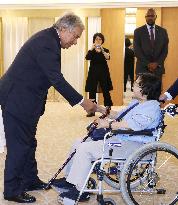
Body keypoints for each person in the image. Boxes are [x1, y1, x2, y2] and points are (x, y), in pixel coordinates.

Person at [0, 13, 96, 203]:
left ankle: (29, 180)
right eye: (76, 36)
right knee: (19, 145)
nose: (76, 42)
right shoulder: (46, 42)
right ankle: (12, 190)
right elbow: (56, 79)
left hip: (25, 100)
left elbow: (44, 76)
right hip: (16, 99)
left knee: (28, 141)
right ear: (64, 29)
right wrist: (83, 102)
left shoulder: (50, 39)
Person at [53, 73, 162, 203]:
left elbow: (131, 125)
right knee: (79, 143)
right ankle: (70, 180)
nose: (133, 85)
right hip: (123, 140)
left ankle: (79, 191)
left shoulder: (152, 107)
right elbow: (119, 115)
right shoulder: (137, 103)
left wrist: (108, 124)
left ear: (146, 90)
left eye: (137, 84)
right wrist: (98, 108)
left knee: (85, 149)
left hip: (134, 145)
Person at [133, 8, 169, 82]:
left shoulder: (163, 31)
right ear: (145, 17)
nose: (150, 17)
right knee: (142, 92)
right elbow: (137, 50)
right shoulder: (138, 31)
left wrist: (156, 63)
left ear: (156, 17)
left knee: (156, 92)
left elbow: (165, 50)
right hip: (142, 68)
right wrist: (148, 64)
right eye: (148, 16)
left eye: (152, 16)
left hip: (157, 69)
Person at [85, 33, 113, 117]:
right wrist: (92, 48)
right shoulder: (91, 50)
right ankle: (92, 110)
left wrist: (102, 50)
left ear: (102, 41)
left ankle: (107, 109)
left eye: (100, 39)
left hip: (103, 72)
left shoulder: (105, 50)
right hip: (93, 72)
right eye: (96, 39)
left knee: (105, 90)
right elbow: (87, 57)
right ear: (94, 40)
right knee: (92, 90)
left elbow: (108, 57)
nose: (98, 40)